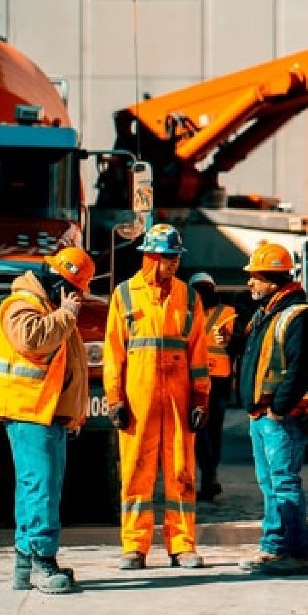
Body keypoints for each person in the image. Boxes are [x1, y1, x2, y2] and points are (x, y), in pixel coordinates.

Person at [0, 246, 95, 595]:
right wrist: (68, 314)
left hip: (47, 413)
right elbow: (32, 340)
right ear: (59, 281)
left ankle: (26, 565)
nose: (76, 298)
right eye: (73, 291)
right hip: (28, 411)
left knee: (38, 487)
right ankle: (42, 560)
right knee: (39, 486)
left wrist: (73, 413)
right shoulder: (21, 304)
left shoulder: (49, 307)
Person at [103, 223, 210, 571]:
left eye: (176, 258)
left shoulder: (189, 298)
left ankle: (183, 545)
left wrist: (200, 400)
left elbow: (198, 356)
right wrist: (115, 399)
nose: (173, 264)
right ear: (150, 257)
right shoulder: (125, 295)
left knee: (181, 473)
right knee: (136, 473)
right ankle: (134, 546)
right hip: (138, 403)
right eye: (167, 258)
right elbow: (113, 353)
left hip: (178, 402)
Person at [233, 242, 308, 576]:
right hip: (264, 416)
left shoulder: (299, 315)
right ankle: (274, 548)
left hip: (279, 418)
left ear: (272, 278)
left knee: (284, 484)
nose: (250, 283)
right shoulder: (267, 313)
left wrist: (279, 409)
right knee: (271, 486)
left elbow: (301, 368)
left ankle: (297, 553)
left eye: (255, 277)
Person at [188, 272, 241, 502]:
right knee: (211, 431)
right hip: (218, 379)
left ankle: (209, 476)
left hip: (205, 379)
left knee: (201, 430)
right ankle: (210, 477)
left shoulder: (188, 314)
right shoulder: (227, 313)